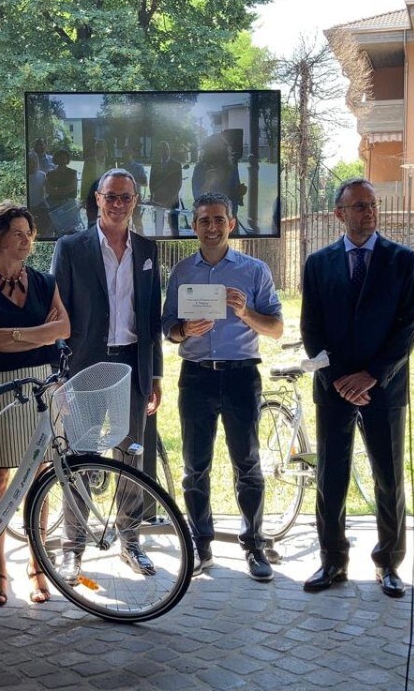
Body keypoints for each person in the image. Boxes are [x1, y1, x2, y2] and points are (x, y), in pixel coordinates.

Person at [300, 178, 414, 598]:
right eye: (358, 206)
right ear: (339, 214)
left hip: (383, 387)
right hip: (333, 388)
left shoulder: (402, 260)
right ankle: (332, 560)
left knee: (389, 477)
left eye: (371, 205)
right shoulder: (318, 263)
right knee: (331, 477)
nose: (367, 212)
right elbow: (311, 330)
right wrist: (337, 379)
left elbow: (409, 327)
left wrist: (372, 375)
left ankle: (388, 561)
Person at [161, 192, 283, 580]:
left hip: (240, 375)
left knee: (247, 464)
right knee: (195, 466)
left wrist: (246, 313)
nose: (211, 227)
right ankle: (201, 545)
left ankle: (254, 545)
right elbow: (167, 328)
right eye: (203, 221)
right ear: (193, 226)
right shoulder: (182, 272)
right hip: (196, 375)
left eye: (218, 219)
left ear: (231, 223)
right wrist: (184, 330)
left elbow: (277, 328)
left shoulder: (254, 270)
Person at [51, 168, 163, 582]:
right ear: (97, 199)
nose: (118, 204)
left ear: (136, 201)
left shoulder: (148, 249)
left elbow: (151, 317)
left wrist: (156, 377)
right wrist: (59, 374)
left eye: (126, 197)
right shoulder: (71, 247)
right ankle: (72, 546)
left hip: (134, 364)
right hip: (85, 366)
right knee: (80, 456)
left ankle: (130, 540)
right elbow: (57, 314)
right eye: (110, 196)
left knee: (132, 453)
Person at [0, 202, 70, 606]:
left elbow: (65, 328)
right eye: (17, 233)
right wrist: (39, 333)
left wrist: (17, 336)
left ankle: (38, 564)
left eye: (29, 233)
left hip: (41, 383)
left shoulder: (44, 281)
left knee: (40, 476)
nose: (25, 240)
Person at [150, 141, 183, 236]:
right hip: (158, 200)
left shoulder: (176, 165)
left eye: (166, 149)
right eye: (162, 149)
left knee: (174, 226)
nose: (164, 151)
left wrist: (171, 199)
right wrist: (153, 195)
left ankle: (176, 244)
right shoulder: (155, 165)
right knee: (158, 227)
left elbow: (178, 183)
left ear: (169, 150)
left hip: (172, 200)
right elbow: (152, 183)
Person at [45, 149, 80, 235]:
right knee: (56, 230)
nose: (63, 160)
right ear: (56, 159)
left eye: (65, 158)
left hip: (69, 205)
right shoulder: (50, 174)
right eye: (60, 158)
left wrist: (57, 190)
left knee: (71, 230)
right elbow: (48, 190)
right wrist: (62, 190)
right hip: (54, 206)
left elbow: (72, 187)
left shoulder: (73, 172)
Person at [80, 139, 109, 226]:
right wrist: (83, 198)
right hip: (92, 195)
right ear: (95, 149)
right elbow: (84, 179)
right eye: (97, 147)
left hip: (107, 196)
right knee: (91, 221)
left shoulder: (110, 161)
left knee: (106, 221)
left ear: (105, 149)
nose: (99, 149)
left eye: (101, 147)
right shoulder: (88, 161)